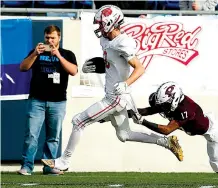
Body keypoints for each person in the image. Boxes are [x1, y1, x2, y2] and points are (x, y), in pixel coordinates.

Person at [41, 5, 183, 172]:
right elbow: (114, 64)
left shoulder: (123, 42)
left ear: (110, 23)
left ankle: (64, 161)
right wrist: (100, 66)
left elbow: (139, 68)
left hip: (115, 98)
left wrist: (126, 83)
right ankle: (166, 142)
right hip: (116, 97)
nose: (99, 27)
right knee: (124, 135)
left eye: (101, 23)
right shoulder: (106, 40)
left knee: (78, 121)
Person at [18, 25, 78, 175]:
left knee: (53, 137)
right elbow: (23, 68)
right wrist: (34, 55)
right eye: (47, 37)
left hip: (58, 102)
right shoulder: (36, 52)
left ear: (59, 38)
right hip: (36, 100)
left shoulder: (67, 54)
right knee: (31, 135)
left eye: (53, 38)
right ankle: (27, 166)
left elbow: (73, 71)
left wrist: (58, 55)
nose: (50, 40)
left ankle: (49, 166)